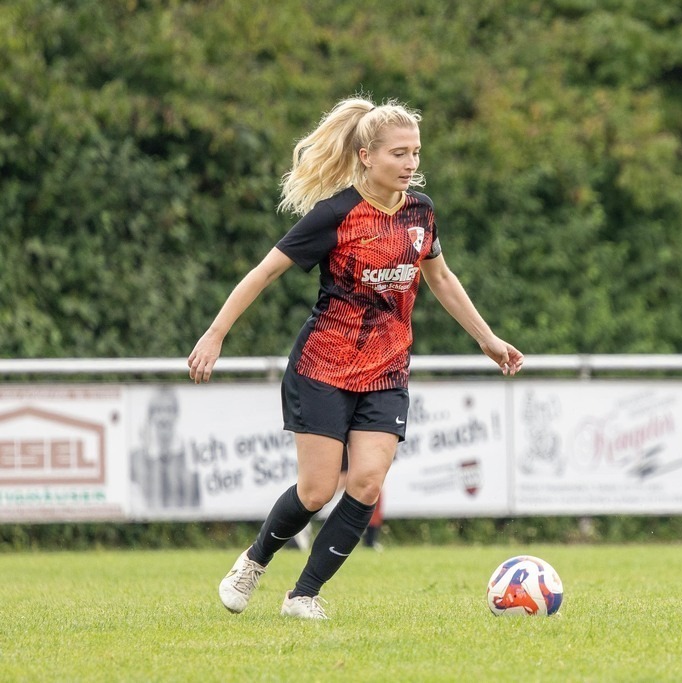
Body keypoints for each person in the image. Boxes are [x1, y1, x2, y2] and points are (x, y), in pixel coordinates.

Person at [187, 95, 524, 620]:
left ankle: (303, 595)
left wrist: (487, 339)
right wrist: (215, 334)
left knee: (367, 483)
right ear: (366, 156)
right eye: (398, 153)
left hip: (387, 370)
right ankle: (254, 562)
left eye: (415, 152)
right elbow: (264, 272)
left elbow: (440, 278)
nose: (410, 163)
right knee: (317, 490)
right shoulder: (336, 214)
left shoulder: (420, 211)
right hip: (323, 367)